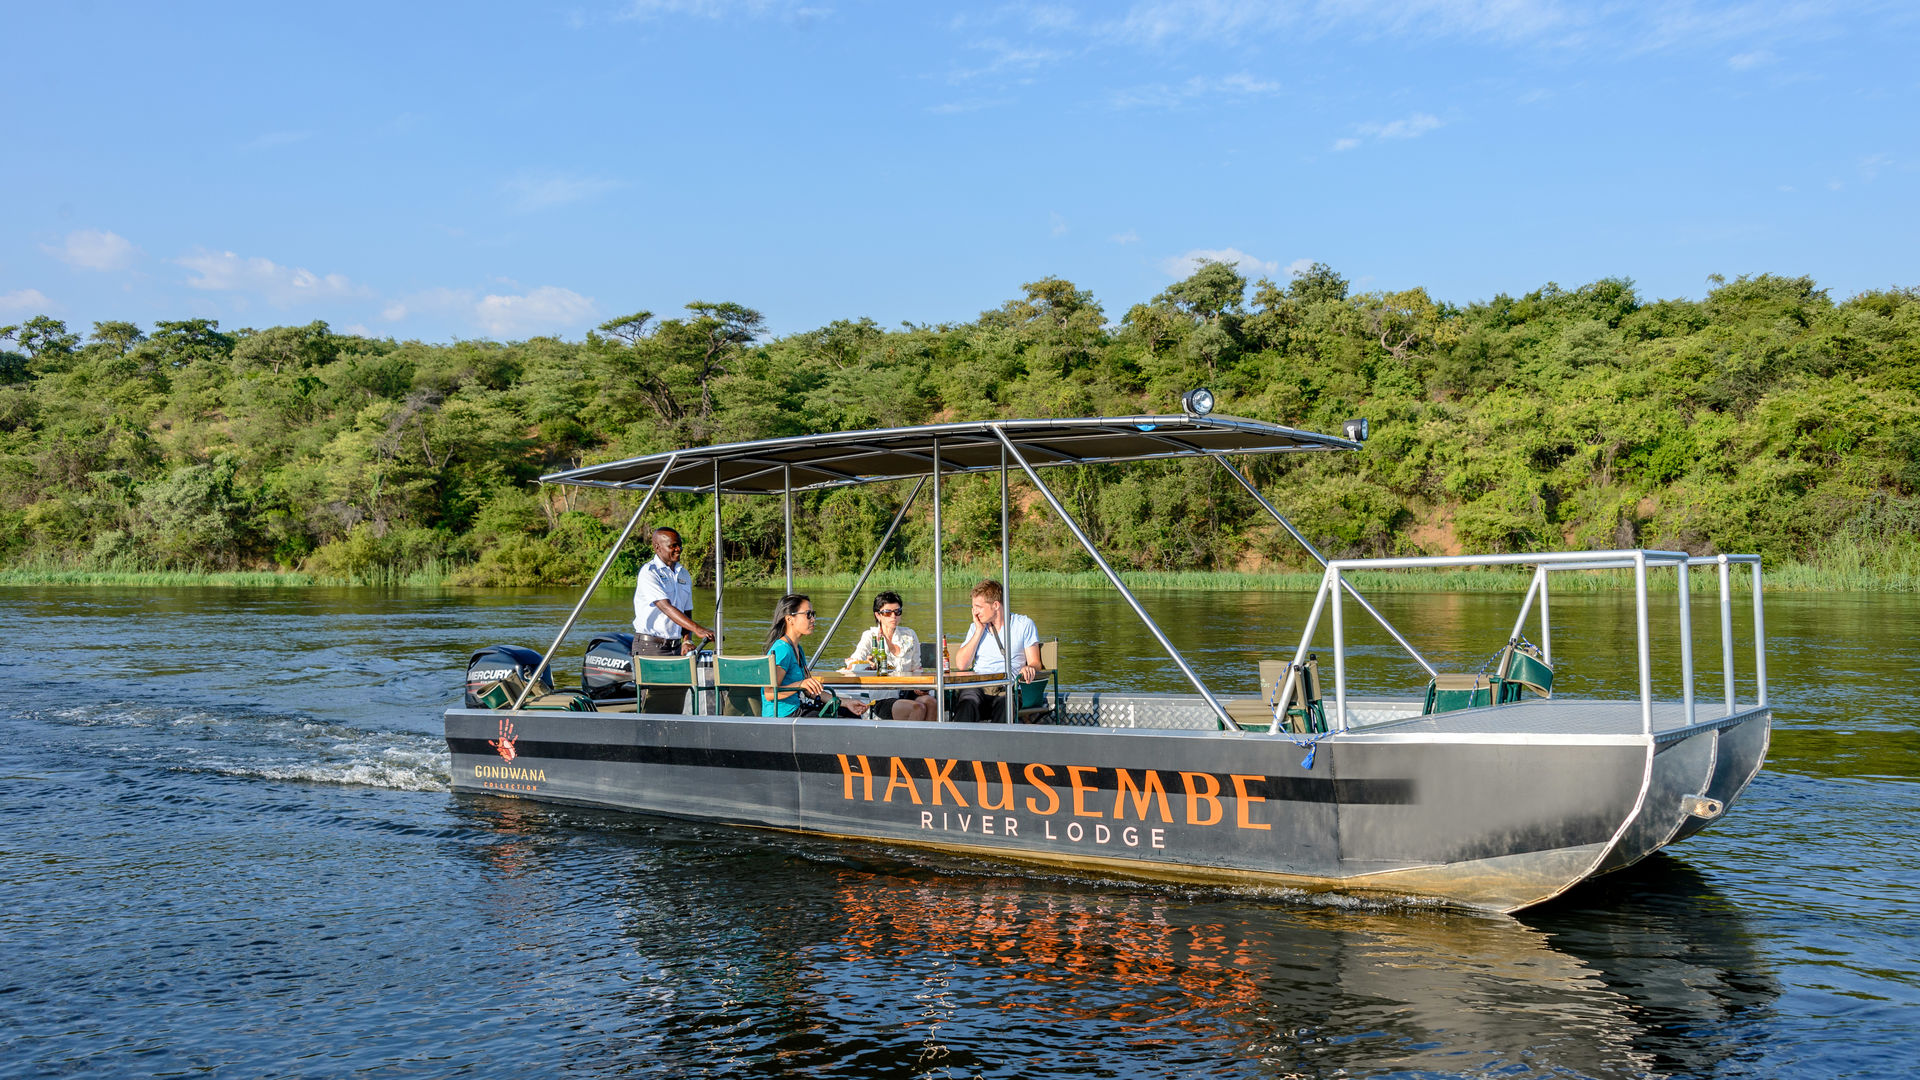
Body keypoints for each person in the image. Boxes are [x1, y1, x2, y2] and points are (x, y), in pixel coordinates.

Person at [632, 527, 713, 714]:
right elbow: (666, 607)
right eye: (673, 546)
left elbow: (686, 610)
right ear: (657, 547)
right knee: (652, 705)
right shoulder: (648, 572)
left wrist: (688, 639)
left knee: (675, 701)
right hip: (651, 648)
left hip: (675, 648)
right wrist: (700, 629)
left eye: (680, 545)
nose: (678, 549)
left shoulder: (683, 574)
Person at [950, 579, 1042, 723]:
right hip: (978, 687)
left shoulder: (1023, 624)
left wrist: (1029, 667)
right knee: (968, 700)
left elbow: (1035, 662)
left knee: (1005, 703)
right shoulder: (975, 627)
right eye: (973, 607)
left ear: (996, 605)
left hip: (1007, 687)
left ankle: (1000, 744)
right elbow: (962, 665)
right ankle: (957, 742)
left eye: (978, 607)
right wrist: (979, 631)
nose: (974, 612)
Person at [763, 594, 864, 717]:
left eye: (813, 614)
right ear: (790, 619)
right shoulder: (782, 650)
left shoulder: (797, 649)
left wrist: (846, 703)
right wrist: (800, 684)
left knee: (849, 713)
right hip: (782, 716)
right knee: (845, 719)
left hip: (796, 710)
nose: (813, 619)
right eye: (808, 614)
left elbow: (811, 692)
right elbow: (769, 693)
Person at [843, 591, 929, 722]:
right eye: (888, 613)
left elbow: (916, 668)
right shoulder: (870, 637)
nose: (893, 616)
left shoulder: (909, 635)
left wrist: (919, 686)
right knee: (917, 707)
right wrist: (867, 664)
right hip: (883, 698)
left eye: (897, 612)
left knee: (932, 702)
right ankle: (910, 742)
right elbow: (852, 664)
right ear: (878, 615)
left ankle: (930, 742)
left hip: (908, 691)